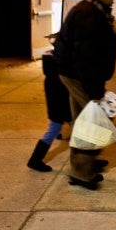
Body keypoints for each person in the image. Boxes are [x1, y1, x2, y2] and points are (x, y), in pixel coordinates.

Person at [55, 0, 116, 190]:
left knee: (83, 119)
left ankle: (84, 163)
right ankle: (82, 173)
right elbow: (86, 55)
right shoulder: (88, 15)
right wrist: (94, 89)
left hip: (75, 73)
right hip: (79, 75)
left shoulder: (93, 10)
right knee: (91, 121)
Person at [26, 36, 72, 172]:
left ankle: (89, 160)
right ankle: (35, 160)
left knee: (74, 129)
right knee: (57, 130)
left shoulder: (51, 65)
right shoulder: (59, 69)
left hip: (60, 107)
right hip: (61, 107)